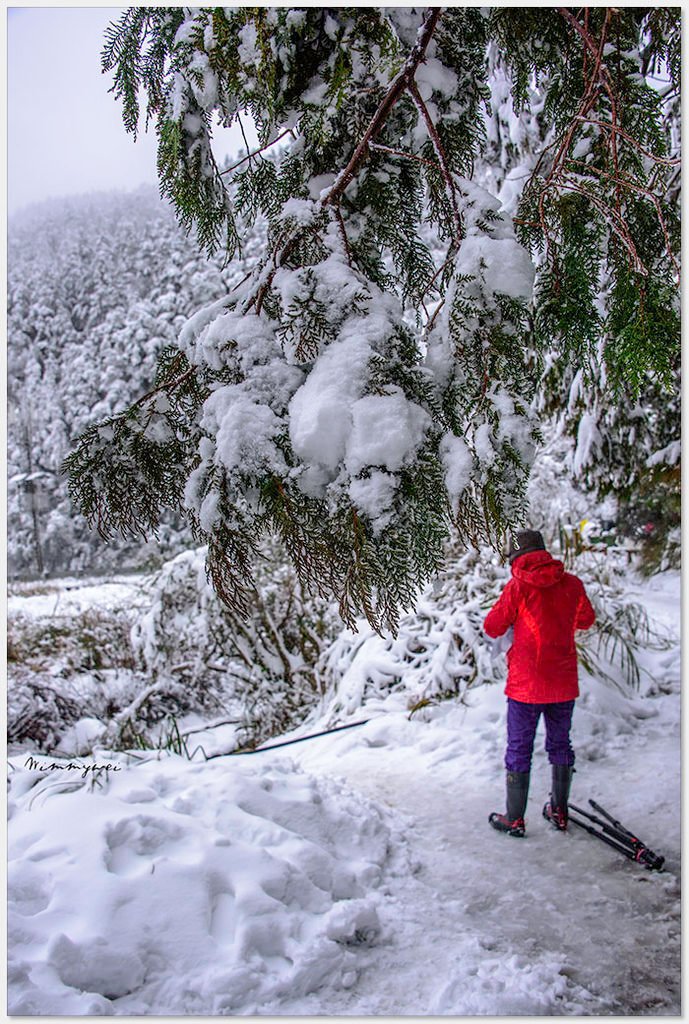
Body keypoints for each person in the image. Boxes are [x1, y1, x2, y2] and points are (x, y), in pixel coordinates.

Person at [484, 529, 596, 837]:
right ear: (544, 552)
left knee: (519, 748)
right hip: (562, 682)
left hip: (526, 686)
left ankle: (514, 819)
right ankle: (560, 812)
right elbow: (586, 619)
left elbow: (492, 626)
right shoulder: (572, 584)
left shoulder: (517, 587)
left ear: (516, 558)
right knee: (561, 745)